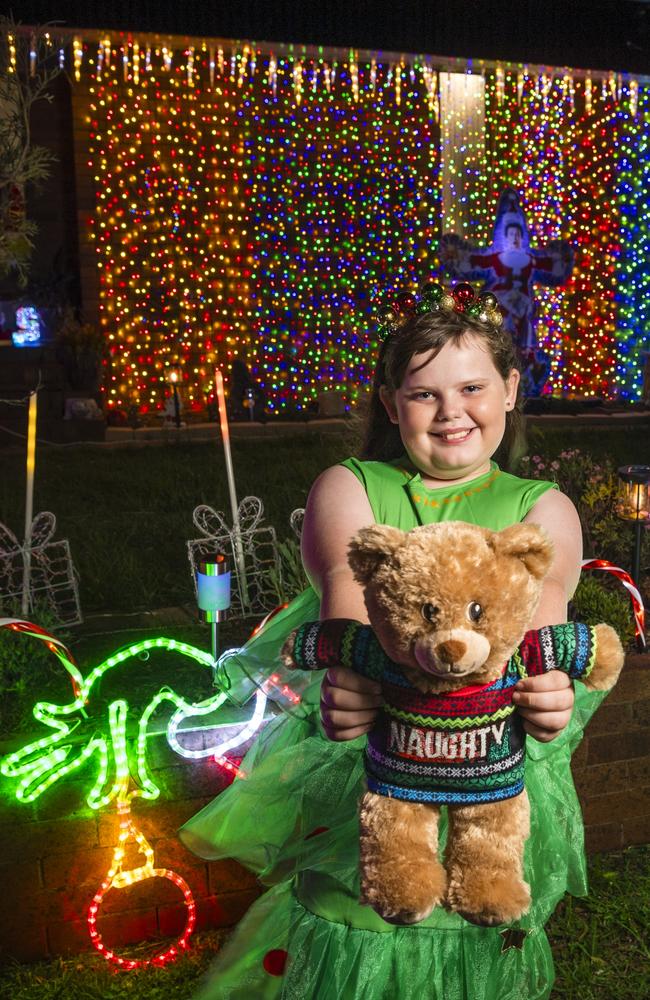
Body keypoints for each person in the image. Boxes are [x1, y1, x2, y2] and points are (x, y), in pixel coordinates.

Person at [180, 282, 602, 1000]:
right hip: (371, 771)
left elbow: (542, 618)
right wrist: (353, 682)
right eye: (423, 394)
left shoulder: (542, 506)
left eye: (472, 386)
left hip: (490, 767)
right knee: (365, 917)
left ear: (509, 389)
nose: (451, 412)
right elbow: (350, 612)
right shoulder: (351, 486)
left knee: (479, 916)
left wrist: (549, 689)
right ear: (389, 404)